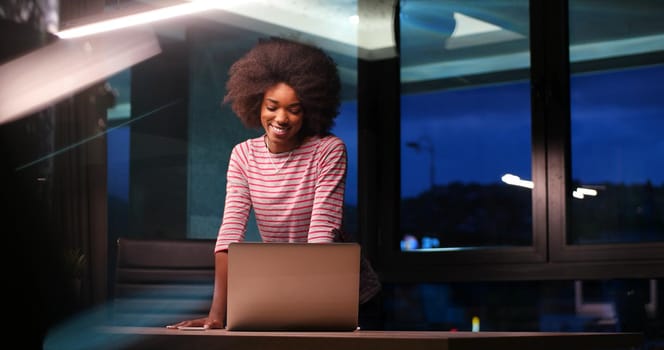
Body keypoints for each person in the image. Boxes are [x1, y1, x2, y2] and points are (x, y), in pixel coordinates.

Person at [167, 37, 347, 329]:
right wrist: (216, 315)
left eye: (295, 109)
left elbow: (321, 237)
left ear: (311, 110)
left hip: (330, 290)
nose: (282, 118)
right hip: (279, 289)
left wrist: (309, 306)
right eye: (272, 106)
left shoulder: (328, 151)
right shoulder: (244, 155)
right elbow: (230, 233)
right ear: (256, 104)